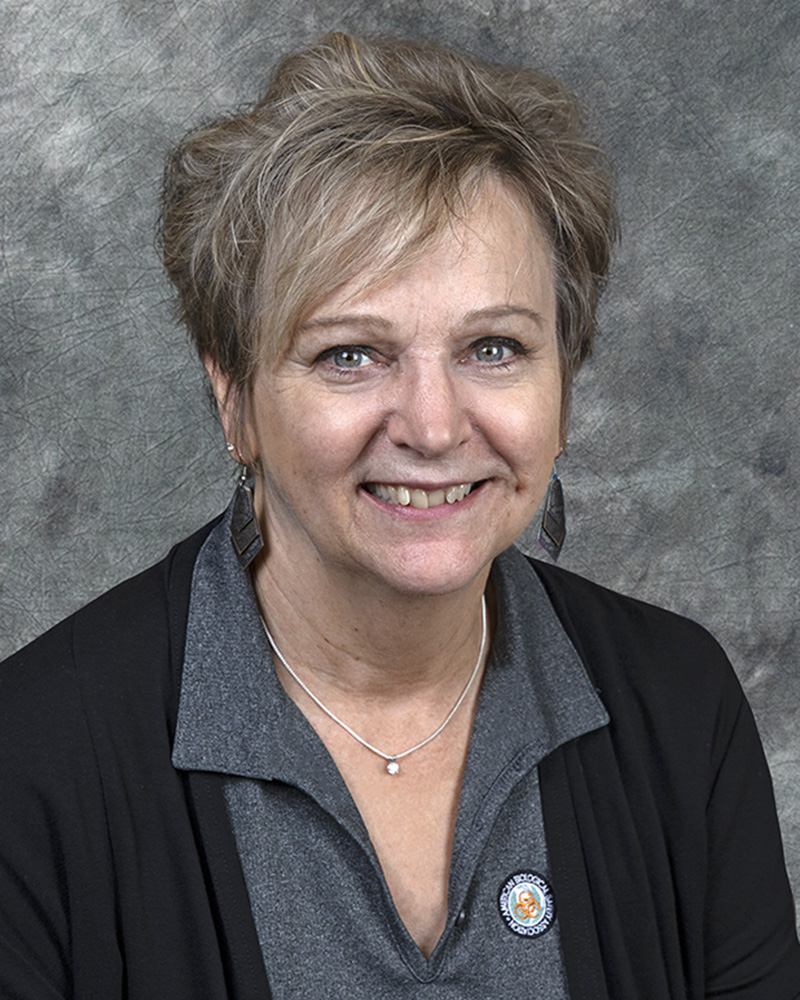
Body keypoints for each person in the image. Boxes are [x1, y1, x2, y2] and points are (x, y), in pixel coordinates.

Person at [1, 30, 798, 1000]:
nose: (432, 425)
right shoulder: (32, 758)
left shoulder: (677, 706)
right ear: (234, 396)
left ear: (563, 385)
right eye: (351, 354)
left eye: (493, 348)